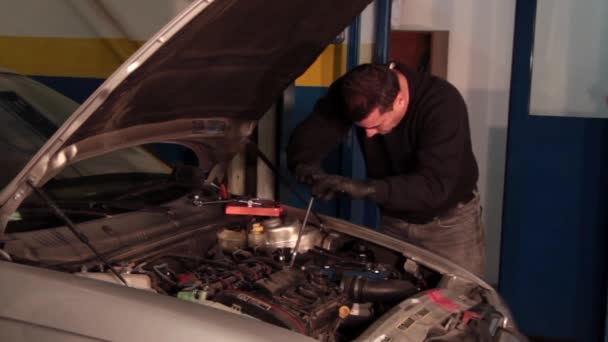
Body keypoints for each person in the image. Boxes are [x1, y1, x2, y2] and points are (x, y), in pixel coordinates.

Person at [286, 61, 486, 277]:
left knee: (462, 301)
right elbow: (318, 130)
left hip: (449, 225)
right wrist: (306, 163)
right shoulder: (357, 90)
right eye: (362, 127)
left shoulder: (443, 105)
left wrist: (367, 189)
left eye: (376, 125)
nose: (369, 135)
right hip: (394, 220)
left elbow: (433, 187)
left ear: (400, 101)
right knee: (388, 297)